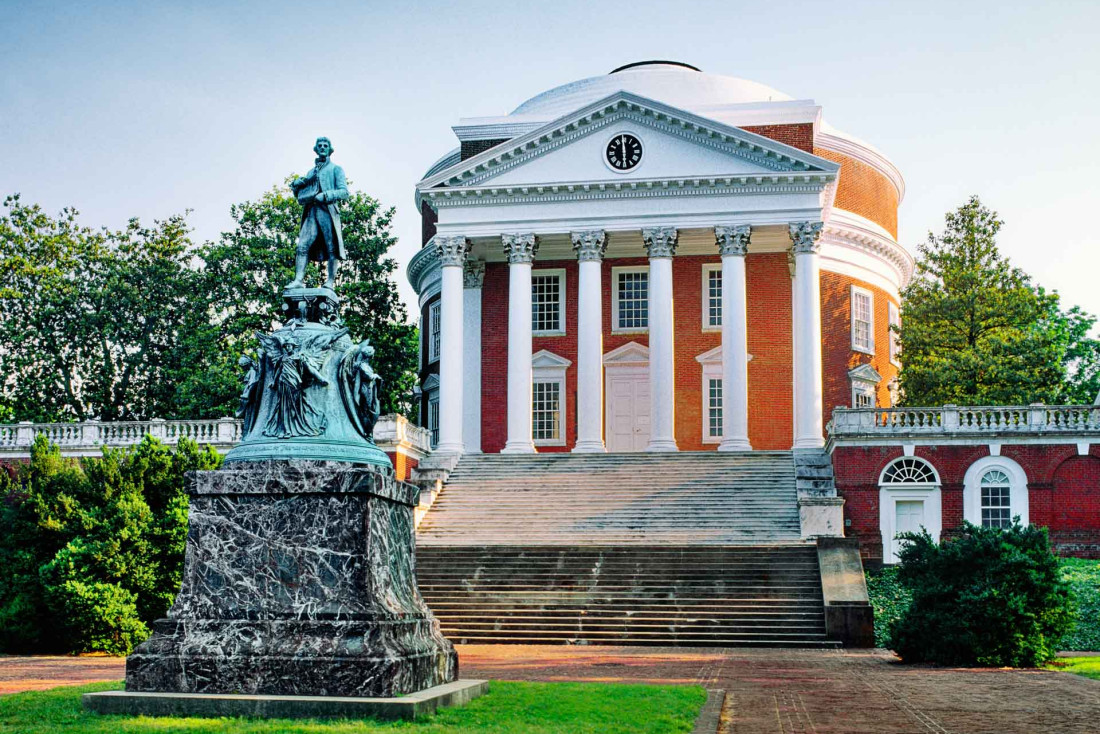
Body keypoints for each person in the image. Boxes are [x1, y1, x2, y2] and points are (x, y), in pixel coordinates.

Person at [285, 136, 348, 289]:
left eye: (325, 145)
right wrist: (296, 185)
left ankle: (330, 282)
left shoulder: (336, 169)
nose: (322, 147)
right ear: (316, 149)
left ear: (330, 149)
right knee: (302, 245)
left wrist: (325, 195)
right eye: (320, 145)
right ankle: (298, 280)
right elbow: (302, 195)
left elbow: (344, 192)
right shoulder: (310, 172)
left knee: (331, 247)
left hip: (327, 211)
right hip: (311, 211)